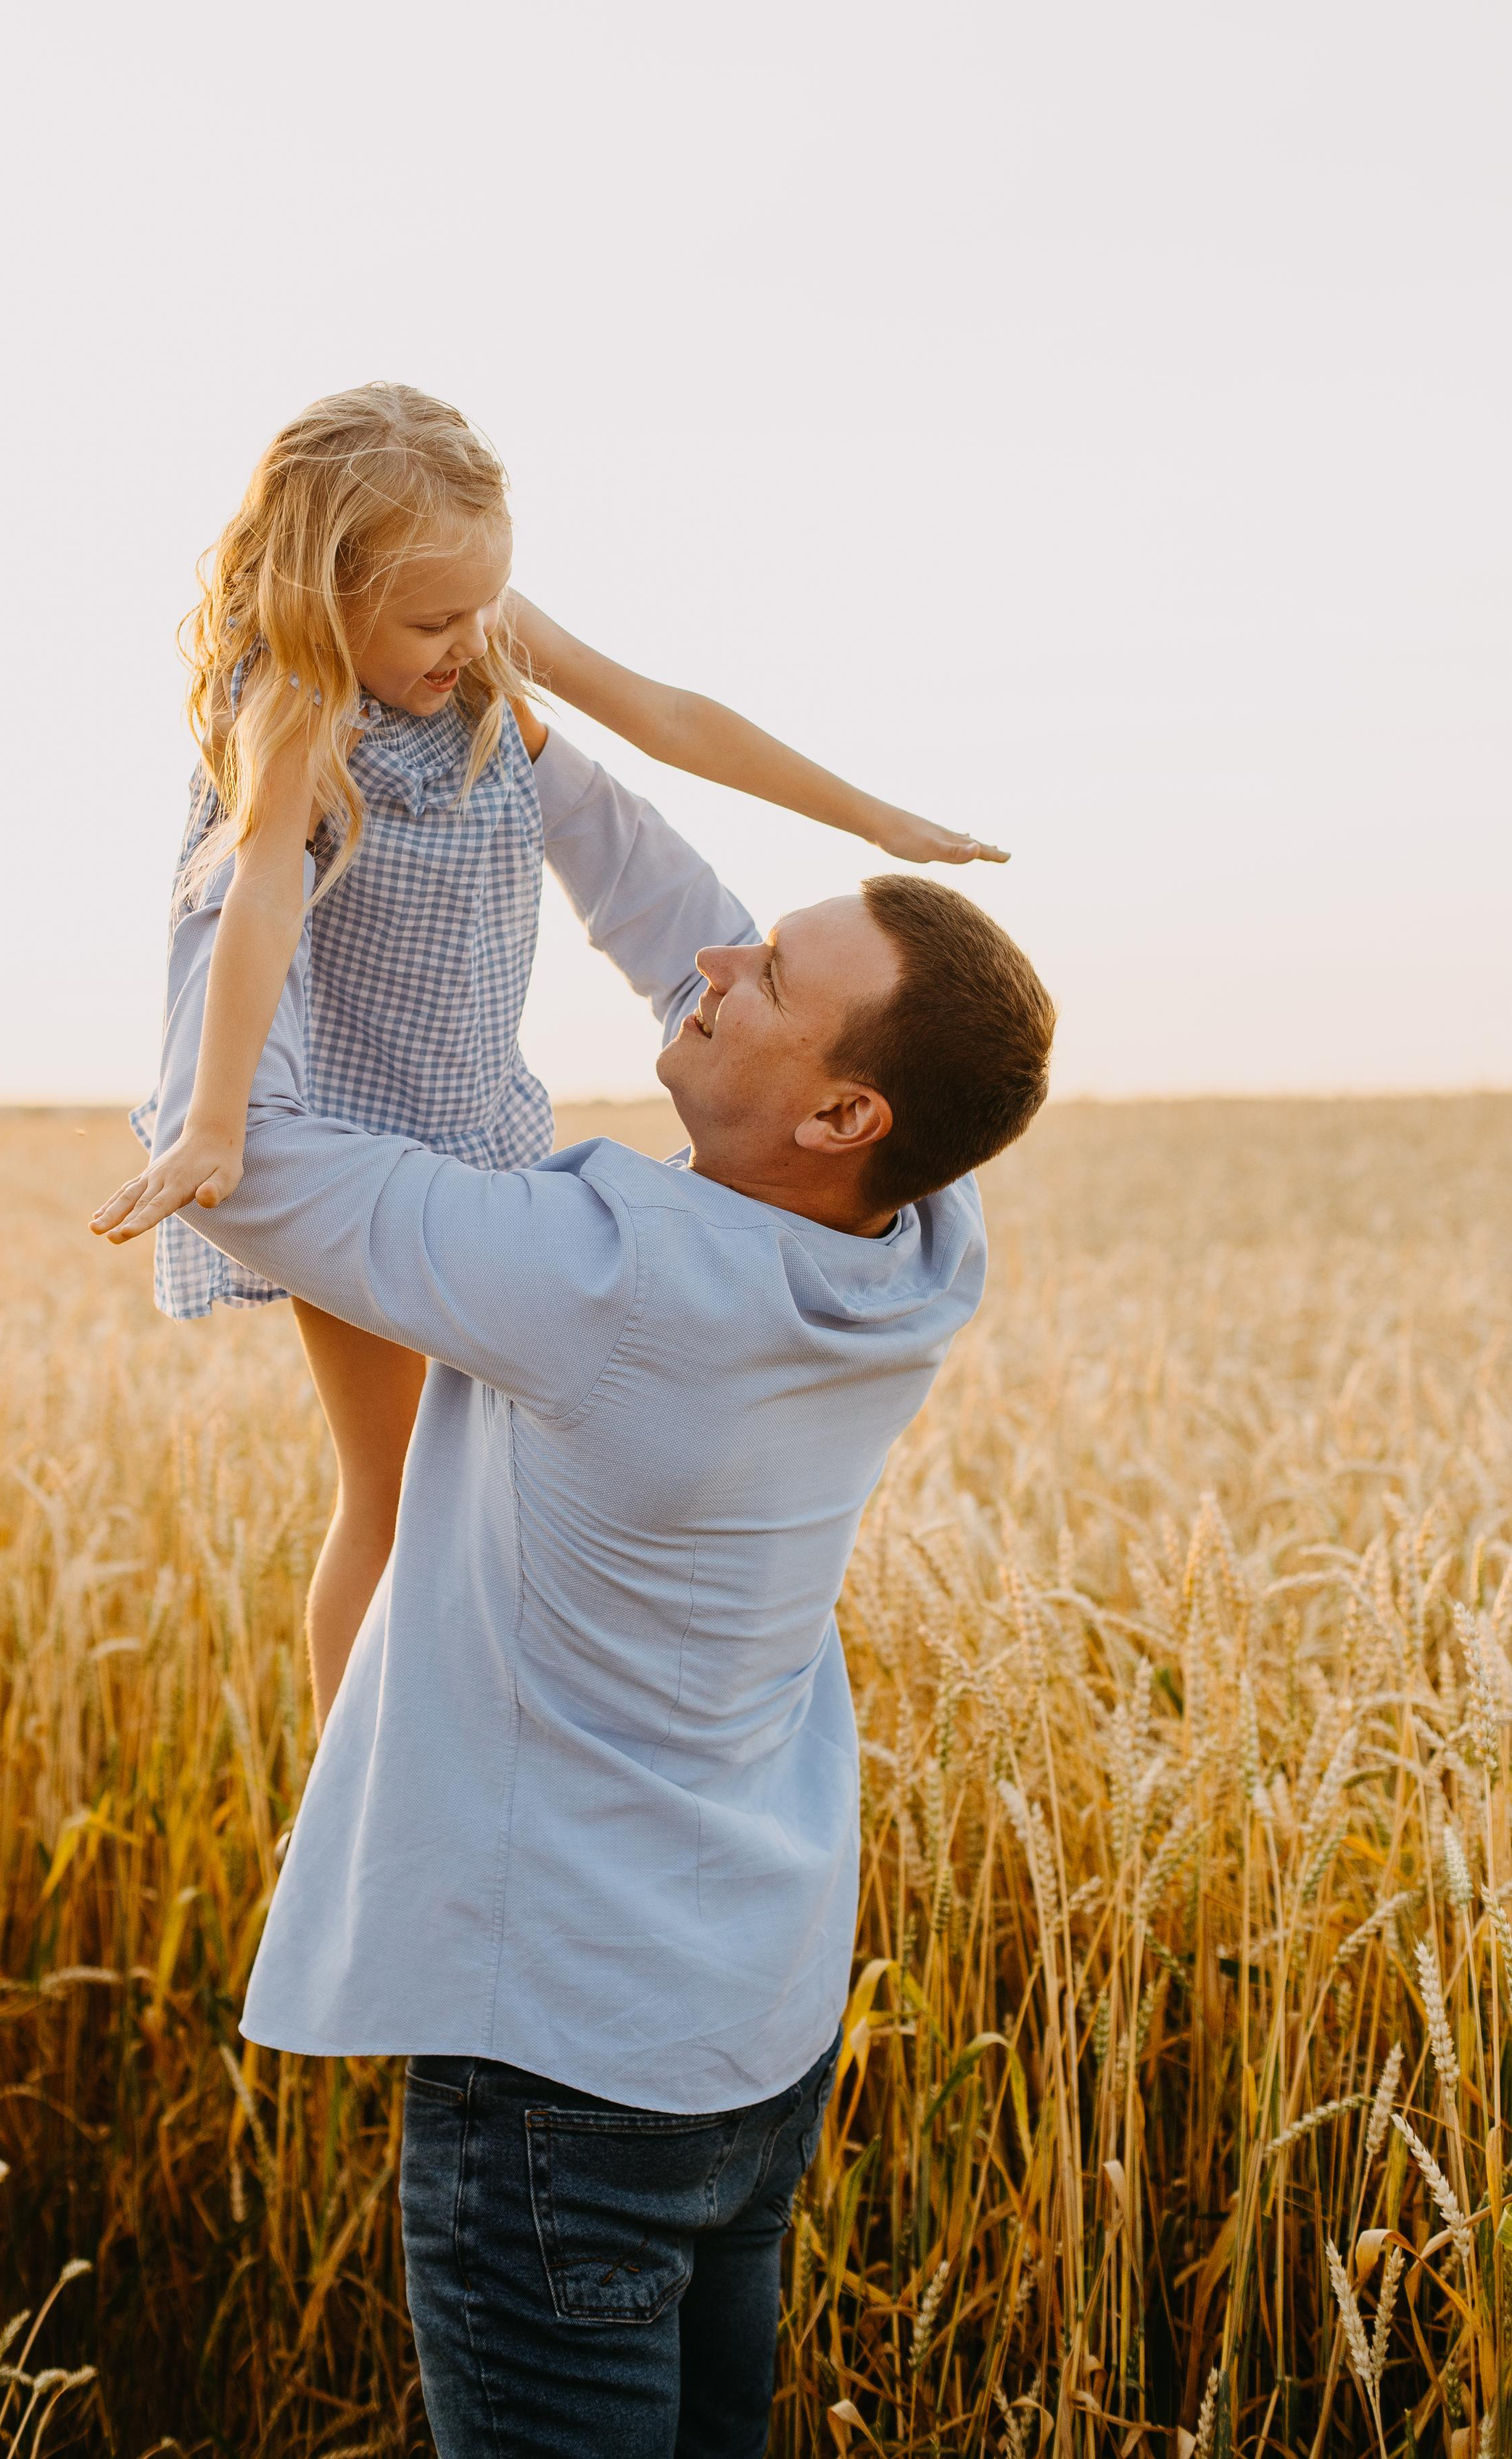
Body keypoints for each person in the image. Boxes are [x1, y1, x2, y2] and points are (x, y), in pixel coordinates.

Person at [137, 722, 1054, 2458]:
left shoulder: (608, 1285)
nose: (714, 960)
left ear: (841, 1111)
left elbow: (238, 1154)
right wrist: (515, 721)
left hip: (557, 2060)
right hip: (742, 2030)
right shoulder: (918, 1240)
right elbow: (679, 925)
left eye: (766, 970)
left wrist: (251, 822)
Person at [91, 380, 1007, 1721]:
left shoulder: (479, 651)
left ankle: (488, 1724)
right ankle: (353, 1777)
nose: (473, 639)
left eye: (484, 605)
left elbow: (673, 721)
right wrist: (219, 1122)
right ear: (323, 592)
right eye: (432, 619)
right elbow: (256, 902)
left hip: (480, 1120)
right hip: (354, 1118)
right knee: (392, 1483)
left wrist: (870, 814)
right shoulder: (290, 703)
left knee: (495, 1481)